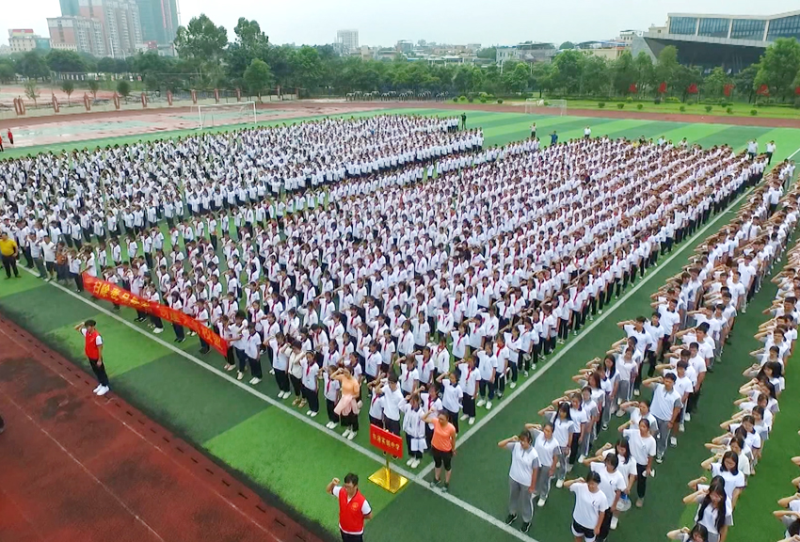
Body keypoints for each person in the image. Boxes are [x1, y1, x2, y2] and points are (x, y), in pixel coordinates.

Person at [498, 430, 540, 533]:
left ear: (529, 441)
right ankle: (512, 513)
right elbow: (500, 444)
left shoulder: (534, 454)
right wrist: (511, 439)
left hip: (526, 482)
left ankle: (527, 520)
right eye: (521, 440)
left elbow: (535, 471)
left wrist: (532, 486)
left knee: (526, 501)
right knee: (513, 497)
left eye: (524, 441)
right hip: (514, 478)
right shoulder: (515, 446)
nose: (522, 443)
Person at [565, 471, 609, 542]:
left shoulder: (602, 497)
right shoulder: (580, 487)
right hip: (578, 520)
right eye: (589, 483)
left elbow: (602, 512)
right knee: (577, 538)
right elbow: (565, 484)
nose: (590, 486)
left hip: (591, 525)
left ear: (597, 483)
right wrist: (576, 480)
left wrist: (598, 526)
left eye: (593, 484)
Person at [326, 473, 372, 542]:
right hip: (343, 529)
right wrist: (332, 483)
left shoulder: (362, 501)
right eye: (345, 486)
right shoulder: (341, 491)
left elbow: (369, 515)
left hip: (355, 534)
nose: (347, 489)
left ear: (356, 486)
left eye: (349, 487)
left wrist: (357, 517)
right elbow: (329, 490)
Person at [74, 319, 110, 396]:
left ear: (93, 327)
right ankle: (101, 383)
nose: (87, 328)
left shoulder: (97, 336)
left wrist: (99, 360)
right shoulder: (86, 332)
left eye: (88, 327)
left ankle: (105, 386)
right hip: (90, 356)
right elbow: (76, 328)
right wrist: (82, 324)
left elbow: (100, 348)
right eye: (86, 327)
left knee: (101, 371)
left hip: (96, 357)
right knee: (96, 371)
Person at [427, 410, 456, 492]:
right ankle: (437, 478)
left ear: (447, 419)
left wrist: (453, 449)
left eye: (442, 419)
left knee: (447, 466)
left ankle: (446, 483)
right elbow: (423, 418)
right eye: (439, 418)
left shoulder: (451, 428)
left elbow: (453, 440)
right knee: (437, 464)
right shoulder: (436, 422)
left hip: (446, 450)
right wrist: (429, 412)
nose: (440, 421)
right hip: (436, 447)